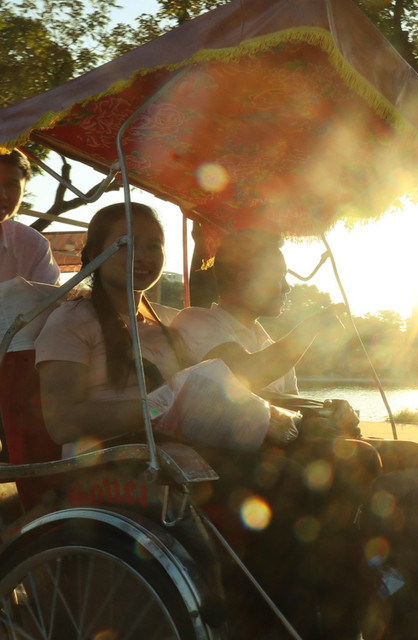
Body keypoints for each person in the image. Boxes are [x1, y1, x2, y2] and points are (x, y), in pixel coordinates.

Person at [35, 204, 376, 638]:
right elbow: (62, 422)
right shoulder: (72, 320)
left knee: (321, 470)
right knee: (290, 482)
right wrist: (157, 406)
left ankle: (330, 613)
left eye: (154, 246)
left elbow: (209, 392)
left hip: (178, 453)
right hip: (114, 462)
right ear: (95, 253)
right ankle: (266, 621)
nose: (145, 256)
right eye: (128, 245)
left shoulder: (163, 329)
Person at [171, 228, 418, 475]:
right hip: (239, 456)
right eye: (279, 277)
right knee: (363, 458)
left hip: (286, 445)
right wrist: (311, 328)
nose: (287, 287)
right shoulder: (196, 321)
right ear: (247, 281)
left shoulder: (266, 341)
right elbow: (243, 376)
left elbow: (294, 412)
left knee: (416, 456)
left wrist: (328, 412)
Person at [0, 149, 59, 284]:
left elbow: (51, 295)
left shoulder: (33, 244)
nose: (2, 195)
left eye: (11, 185)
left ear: (24, 191)